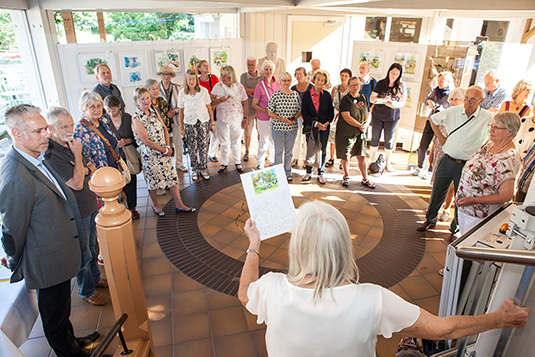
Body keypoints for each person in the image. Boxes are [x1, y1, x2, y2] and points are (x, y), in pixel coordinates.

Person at [237, 201, 530, 356]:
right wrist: (500, 318)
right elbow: (443, 330)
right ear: (343, 245)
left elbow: (245, 293)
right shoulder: (372, 298)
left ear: (297, 246)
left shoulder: (272, 289)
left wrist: (254, 243)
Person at [0, 104, 100, 357]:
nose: (47, 135)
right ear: (16, 134)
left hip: (59, 251)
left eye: (46, 128)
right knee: (54, 319)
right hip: (46, 259)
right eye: (38, 131)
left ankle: (73, 341)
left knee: (62, 310)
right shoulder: (15, 176)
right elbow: (12, 228)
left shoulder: (36, 157)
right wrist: (15, 259)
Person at [44, 107, 109, 306]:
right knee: (83, 251)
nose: (70, 129)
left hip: (88, 204)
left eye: (71, 124)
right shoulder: (51, 154)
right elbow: (77, 183)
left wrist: (82, 166)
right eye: (64, 126)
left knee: (92, 245)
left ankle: (95, 279)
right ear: (51, 129)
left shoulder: (70, 145)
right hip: (76, 211)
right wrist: (79, 159)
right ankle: (86, 290)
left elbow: (93, 167)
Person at [417, 86, 493, 234]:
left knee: (462, 198)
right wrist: (440, 137)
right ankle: (430, 219)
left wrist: (485, 149)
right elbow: (433, 119)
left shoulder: (487, 117)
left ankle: (456, 227)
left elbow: (497, 130)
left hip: (467, 164)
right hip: (447, 160)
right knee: (437, 191)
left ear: (481, 101)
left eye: (472, 99)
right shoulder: (454, 111)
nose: (468, 102)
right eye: (466, 98)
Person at [74, 91, 139, 218]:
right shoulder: (80, 129)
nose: (97, 109)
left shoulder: (103, 121)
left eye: (99, 106)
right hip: (100, 176)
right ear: (83, 108)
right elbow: (82, 156)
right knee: (106, 213)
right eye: (92, 106)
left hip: (113, 168)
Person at [132, 87, 195, 216]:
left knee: (172, 177)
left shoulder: (153, 111)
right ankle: (156, 205)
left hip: (164, 152)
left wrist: (167, 146)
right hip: (150, 155)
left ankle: (179, 204)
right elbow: (146, 141)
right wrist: (164, 149)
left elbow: (164, 128)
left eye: (147, 97)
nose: (146, 101)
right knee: (153, 181)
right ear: (137, 102)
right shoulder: (136, 118)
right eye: (142, 99)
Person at [456, 112, 521, 234]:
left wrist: (474, 200)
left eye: (496, 128)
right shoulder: (490, 144)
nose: (491, 130)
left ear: (510, 132)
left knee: (469, 247)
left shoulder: (507, 159)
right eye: (491, 126)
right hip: (466, 208)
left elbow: (506, 196)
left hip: (480, 214)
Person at [429, 88, 465, 222]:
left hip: (455, 156)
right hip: (440, 152)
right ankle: (433, 212)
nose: (453, 101)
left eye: (457, 99)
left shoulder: (463, 118)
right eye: (452, 99)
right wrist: (432, 153)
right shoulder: (445, 113)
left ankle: (446, 209)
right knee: (438, 184)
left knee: (452, 187)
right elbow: (436, 134)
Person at [102, 95, 140, 220]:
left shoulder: (128, 118)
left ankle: (132, 207)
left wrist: (126, 141)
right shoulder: (103, 121)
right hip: (113, 156)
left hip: (128, 154)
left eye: (113, 110)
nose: (111, 113)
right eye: (108, 111)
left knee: (131, 180)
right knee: (115, 181)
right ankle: (117, 207)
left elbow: (137, 137)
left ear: (119, 107)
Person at [414, 72, 453, 179]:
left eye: (442, 81)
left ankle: (431, 170)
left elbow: (452, 110)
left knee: (436, 148)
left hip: (442, 124)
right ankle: (419, 166)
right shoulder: (436, 90)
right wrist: (430, 101)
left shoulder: (452, 94)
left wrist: (443, 110)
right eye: (439, 80)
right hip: (431, 120)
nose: (439, 83)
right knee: (423, 145)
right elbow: (426, 100)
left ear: (448, 82)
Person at [369, 63, 407, 171]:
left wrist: (393, 104)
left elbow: (403, 103)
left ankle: (387, 162)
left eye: (396, 74)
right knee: (374, 138)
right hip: (377, 115)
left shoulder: (401, 86)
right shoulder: (381, 83)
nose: (393, 76)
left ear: (399, 75)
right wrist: (382, 100)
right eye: (392, 73)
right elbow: (372, 98)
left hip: (392, 117)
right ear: (388, 72)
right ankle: (371, 160)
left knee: (388, 140)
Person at [336, 76, 373, 188]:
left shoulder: (364, 98)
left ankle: (365, 178)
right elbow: (346, 116)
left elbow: (369, 113)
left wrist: (365, 125)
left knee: (361, 156)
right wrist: (359, 125)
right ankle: (346, 176)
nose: (355, 87)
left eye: (357, 84)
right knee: (346, 155)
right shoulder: (346, 100)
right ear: (348, 87)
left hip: (360, 132)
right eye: (352, 85)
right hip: (346, 132)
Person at [211, 66, 249, 174]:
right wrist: (219, 100)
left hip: (237, 118)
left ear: (231, 75)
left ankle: (237, 162)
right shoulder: (218, 86)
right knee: (224, 142)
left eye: (226, 75)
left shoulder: (239, 87)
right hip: (222, 119)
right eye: (222, 75)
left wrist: (245, 118)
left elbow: (245, 102)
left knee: (236, 141)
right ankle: (224, 163)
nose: (223, 77)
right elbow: (211, 102)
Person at [178, 69, 214, 181]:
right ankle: (194, 169)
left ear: (196, 80)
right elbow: (180, 111)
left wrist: (212, 123)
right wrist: (181, 127)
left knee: (203, 145)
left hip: (203, 121)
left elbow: (209, 108)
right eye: (189, 79)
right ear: (186, 80)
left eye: (193, 79)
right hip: (189, 122)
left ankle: (203, 168)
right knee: (192, 147)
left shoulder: (203, 91)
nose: (192, 81)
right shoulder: (182, 93)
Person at [301, 70, 334, 184]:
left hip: (324, 128)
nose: (320, 82)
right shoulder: (306, 94)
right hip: (311, 126)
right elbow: (304, 113)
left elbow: (331, 112)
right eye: (318, 79)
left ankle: (321, 173)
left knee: (322, 149)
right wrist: (316, 123)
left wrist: (326, 123)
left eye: (322, 80)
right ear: (314, 79)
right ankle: (308, 172)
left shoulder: (327, 95)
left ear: (325, 82)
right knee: (310, 148)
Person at [267, 72, 302, 181]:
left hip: (292, 128)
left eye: (288, 80)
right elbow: (269, 112)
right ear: (280, 82)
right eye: (284, 80)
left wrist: (294, 118)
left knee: (289, 151)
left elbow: (300, 109)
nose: (286, 82)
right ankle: (278, 173)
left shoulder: (295, 95)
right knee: (278, 151)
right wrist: (282, 119)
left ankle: (287, 172)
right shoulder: (276, 95)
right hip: (278, 128)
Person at [158, 65, 188, 172]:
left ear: (171, 76)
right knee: (165, 143)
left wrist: (174, 111)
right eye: (164, 74)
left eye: (168, 74)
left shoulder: (177, 87)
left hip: (175, 118)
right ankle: (167, 165)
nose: (166, 76)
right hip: (162, 121)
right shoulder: (156, 88)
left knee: (178, 142)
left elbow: (182, 104)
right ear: (160, 76)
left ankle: (179, 163)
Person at [253, 60, 280, 169]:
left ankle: (273, 160)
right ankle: (260, 162)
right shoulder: (259, 86)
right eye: (266, 69)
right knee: (264, 140)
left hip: (275, 118)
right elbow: (254, 104)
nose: (268, 72)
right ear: (263, 71)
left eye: (270, 69)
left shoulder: (278, 85)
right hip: (263, 118)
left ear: (273, 71)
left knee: (274, 139)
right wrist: (267, 111)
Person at [327, 68, 352, 169]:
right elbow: (331, 102)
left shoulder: (350, 90)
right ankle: (331, 157)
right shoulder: (335, 88)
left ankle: (343, 159)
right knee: (333, 137)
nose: (343, 78)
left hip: (345, 115)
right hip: (335, 114)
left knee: (344, 138)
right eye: (342, 75)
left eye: (346, 76)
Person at [197, 60, 220, 162]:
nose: (207, 67)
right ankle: (202, 156)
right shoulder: (197, 81)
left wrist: (214, 104)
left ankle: (213, 153)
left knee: (215, 132)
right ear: (199, 69)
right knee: (203, 134)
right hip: (203, 110)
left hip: (214, 108)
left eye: (207, 65)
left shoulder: (214, 78)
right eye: (204, 65)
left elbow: (218, 92)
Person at [240, 56, 262, 162]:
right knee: (247, 131)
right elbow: (244, 91)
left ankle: (261, 152)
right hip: (248, 108)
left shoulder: (262, 76)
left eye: (252, 65)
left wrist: (251, 91)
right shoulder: (243, 76)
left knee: (260, 131)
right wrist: (256, 92)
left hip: (260, 108)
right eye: (248, 64)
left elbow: (262, 92)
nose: (250, 67)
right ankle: (247, 151)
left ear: (256, 65)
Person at [290, 67, 313, 168]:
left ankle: (305, 159)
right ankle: (295, 157)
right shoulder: (293, 88)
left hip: (308, 116)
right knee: (296, 137)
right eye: (297, 74)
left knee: (306, 138)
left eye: (300, 74)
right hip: (296, 116)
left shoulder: (311, 87)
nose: (299, 76)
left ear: (305, 75)